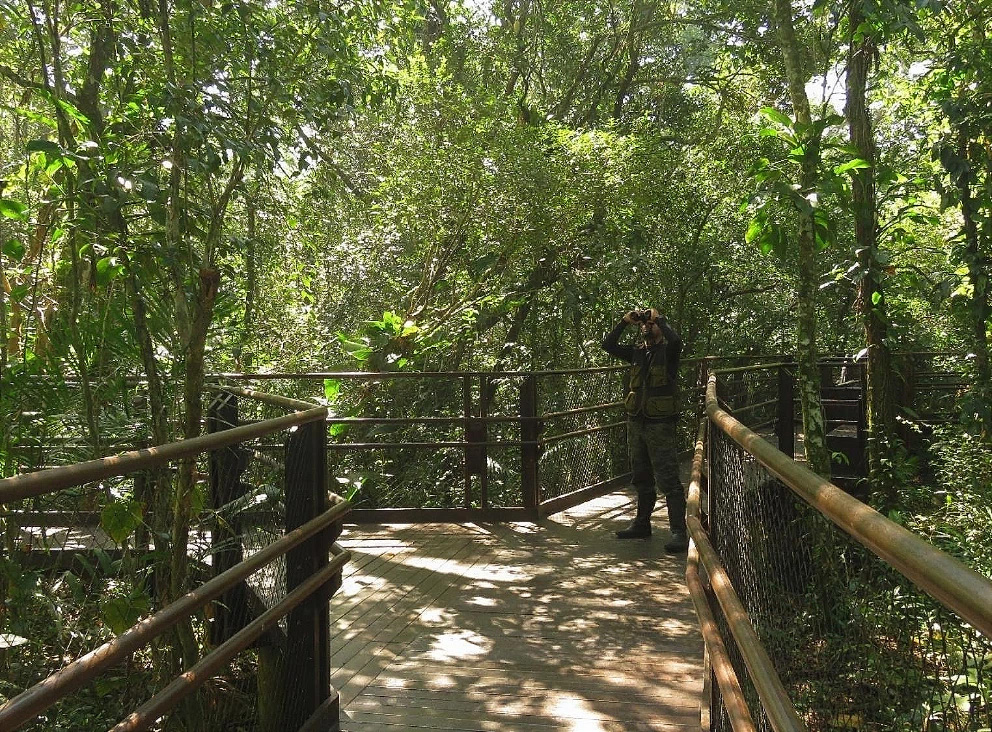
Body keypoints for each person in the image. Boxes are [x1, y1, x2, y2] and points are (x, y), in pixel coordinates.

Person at [601, 307, 688, 553]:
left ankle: (678, 532)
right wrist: (623, 322)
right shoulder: (637, 353)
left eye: (651, 324)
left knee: (668, 478)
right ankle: (642, 524)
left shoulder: (669, 352)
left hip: (660, 424)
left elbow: (677, 340)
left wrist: (659, 317)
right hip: (637, 422)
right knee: (641, 476)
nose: (647, 326)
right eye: (644, 324)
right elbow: (608, 345)